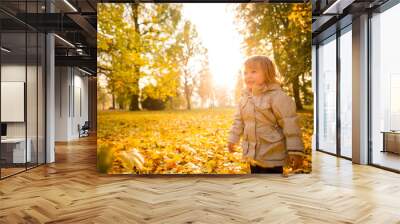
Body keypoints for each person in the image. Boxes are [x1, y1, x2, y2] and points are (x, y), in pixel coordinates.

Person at [227, 55, 304, 174]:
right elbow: (239, 121)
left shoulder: (276, 96)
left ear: (267, 73)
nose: (248, 76)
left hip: (272, 153)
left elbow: (290, 123)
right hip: (253, 153)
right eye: (246, 73)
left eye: (253, 71)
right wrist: (233, 139)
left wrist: (295, 150)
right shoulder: (245, 98)